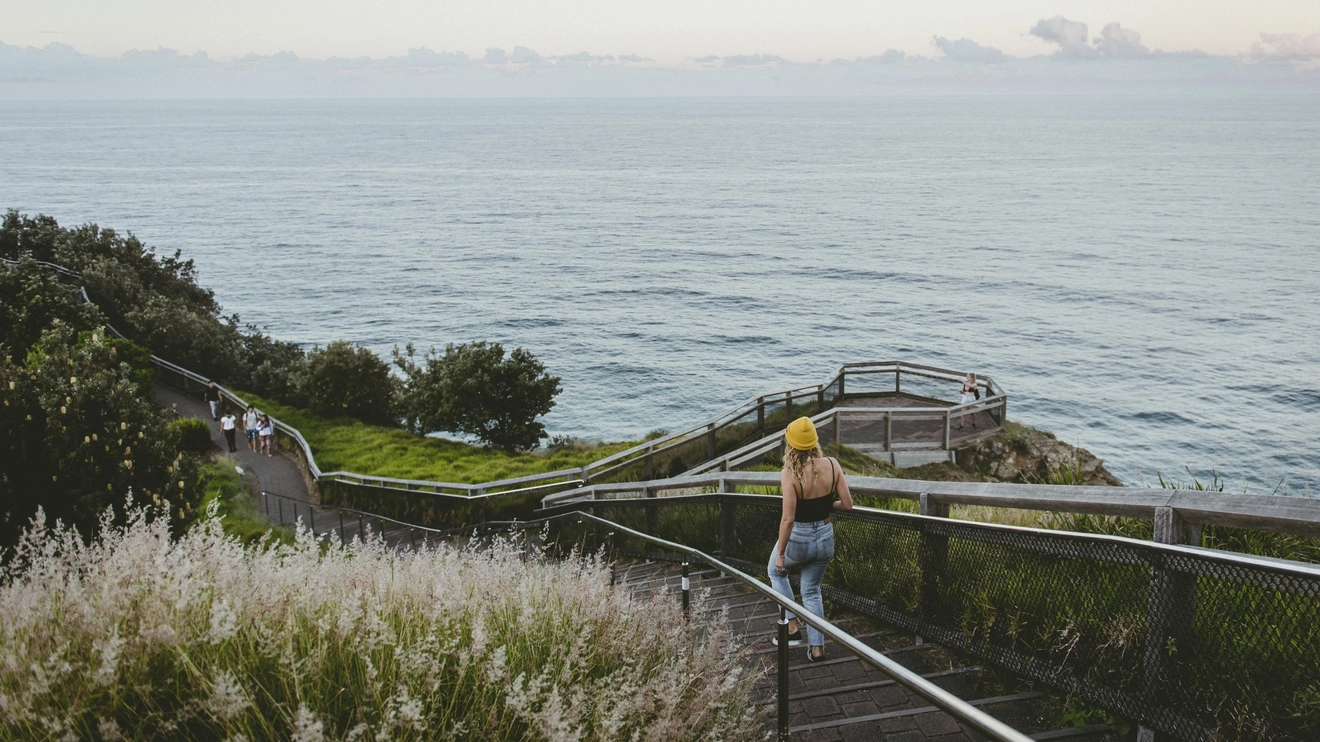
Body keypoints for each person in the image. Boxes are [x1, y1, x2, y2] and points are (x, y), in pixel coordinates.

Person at [768, 416, 853, 662]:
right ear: (814, 441)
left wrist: (782, 554)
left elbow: (788, 519)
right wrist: (825, 506)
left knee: (775, 572)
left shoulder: (789, 473)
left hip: (799, 538)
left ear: (790, 444)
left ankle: (792, 626)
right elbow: (847, 504)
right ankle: (817, 649)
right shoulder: (833, 464)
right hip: (825, 537)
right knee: (812, 591)